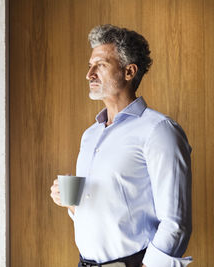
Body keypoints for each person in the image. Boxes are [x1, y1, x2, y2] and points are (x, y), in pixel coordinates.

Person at [50, 24, 192, 267]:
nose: (90, 74)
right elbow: (104, 214)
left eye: (101, 65)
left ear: (129, 72)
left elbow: (175, 224)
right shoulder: (90, 135)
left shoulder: (159, 131)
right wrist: (72, 205)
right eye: (90, 65)